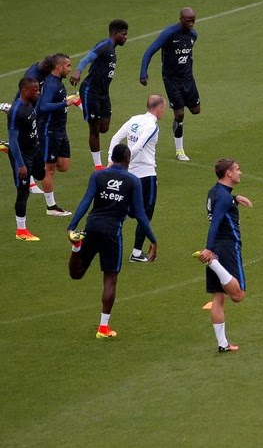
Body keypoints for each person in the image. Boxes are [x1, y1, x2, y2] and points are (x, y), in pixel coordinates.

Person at [67, 144, 158, 339]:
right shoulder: (133, 181)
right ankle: (103, 327)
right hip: (112, 232)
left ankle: (76, 247)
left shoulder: (98, 176)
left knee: (77, 273)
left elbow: (86, 201)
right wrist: (152, 239)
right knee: (110, 278)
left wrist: (72, 226)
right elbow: (140, 214)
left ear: (113, 158)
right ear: (127, 159)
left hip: (91, 226)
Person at [197, 158, 252, 353]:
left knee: (218, 296)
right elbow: (216, 223)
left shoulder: (214, 192)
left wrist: (235, 198)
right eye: (237, 169)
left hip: (218, 246)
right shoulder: (224, 198)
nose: (240, 172)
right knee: (238, 295)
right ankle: (213, 263)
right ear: (229, 173)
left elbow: (221, 203)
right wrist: (209, 250)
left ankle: (223, 344)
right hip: (227, 247)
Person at [107, 94, 166, 263]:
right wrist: (121, 165)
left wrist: (112, 161)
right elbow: (138, 147)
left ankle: (105, 242)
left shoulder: (135, 119)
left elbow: (116, 138)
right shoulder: (152, 126)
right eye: (163, 108)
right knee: (146, 213)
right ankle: (136, 253)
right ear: (159, 108)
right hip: (146, 175)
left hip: (129, 174)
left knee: (124, 209)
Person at [139, 7, 199, 162]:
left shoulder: (193, 35)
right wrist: (143, 73)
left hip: (188, 78)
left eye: (193, 20)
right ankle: (180, 150)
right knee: (179, 113)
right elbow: (149, 51)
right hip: (171, 79)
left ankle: (179, 111)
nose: (191, 23)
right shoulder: (169, 33)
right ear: (181, 19)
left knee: (196, 110)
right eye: (188, 20)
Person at [70, 19, 128, 170]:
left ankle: (78, 102)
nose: (126, 37)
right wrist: (78, 71)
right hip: (90, 91)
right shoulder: (105, 45)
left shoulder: (112, 49)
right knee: (94, 129)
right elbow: (88, 57)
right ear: (115, 33)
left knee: (104, 127)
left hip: (103, 93)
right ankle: (98, 165)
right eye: (123, 34)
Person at [35, 53, 81, 216]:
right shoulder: (51, 84)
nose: (70, 69)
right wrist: (66, 102)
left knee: (64, 166)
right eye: (68, 66)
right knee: (49, 169)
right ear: (58, 67)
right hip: (49, 131)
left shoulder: (58, 83)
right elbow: (43, 107)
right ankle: (51, 207)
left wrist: (67, 100)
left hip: (60, 130)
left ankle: (31, 162)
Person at [6, 77, 45, 241]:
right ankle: (21, 231)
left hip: (34, 150)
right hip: (22, 156)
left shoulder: (30, 103)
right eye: (35, 90)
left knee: (41, 174)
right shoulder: (16, 111)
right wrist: (21, 165)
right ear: (24, 90)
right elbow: (13, 139)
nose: (38, 92)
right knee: (23, 192)